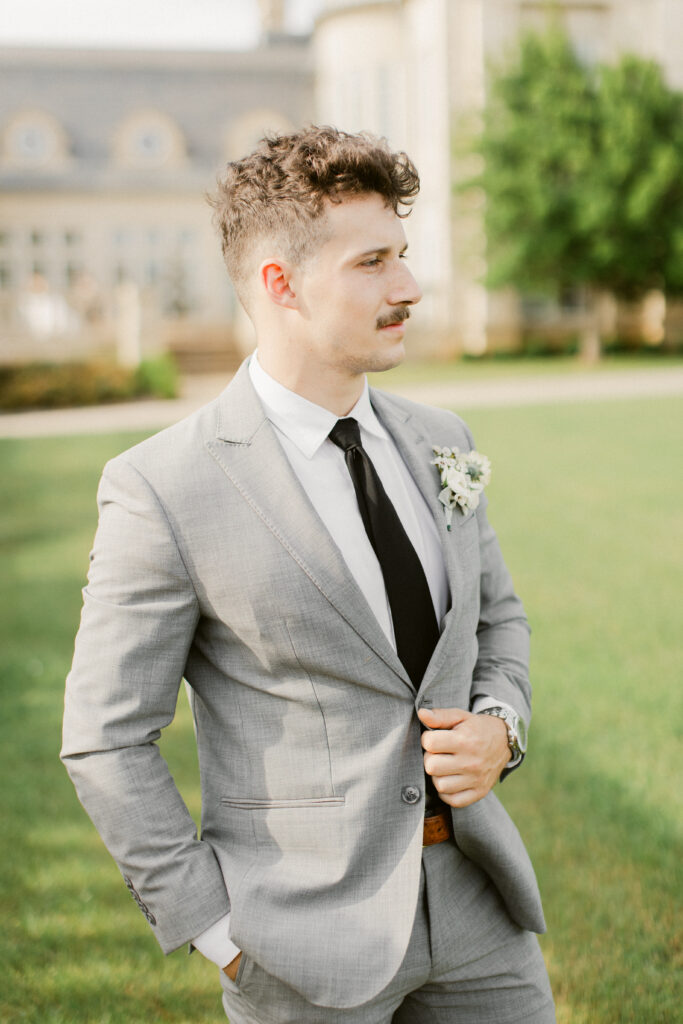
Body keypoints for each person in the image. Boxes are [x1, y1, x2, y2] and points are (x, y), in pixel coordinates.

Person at [61, 125, 555, 1024]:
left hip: (482, 915)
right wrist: (214, 928)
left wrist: (501, 729)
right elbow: (105, 737)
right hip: (297, 947)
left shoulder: (446, 440)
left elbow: (498, 624)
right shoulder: (161, 488)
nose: (407, 286)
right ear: (278, 284)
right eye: (371, 262)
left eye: (402, 256)